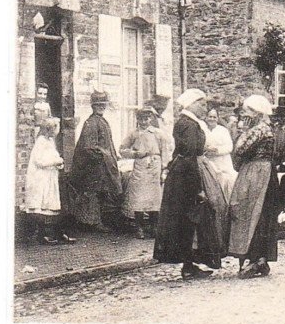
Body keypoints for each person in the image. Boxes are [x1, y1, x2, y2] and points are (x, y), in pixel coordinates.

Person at [153, 88, 228, 280]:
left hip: (185, 174)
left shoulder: (189, 123)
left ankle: (190, 263)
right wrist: (198, 188)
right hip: (186, 177)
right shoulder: (188, 125)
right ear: (192, 104)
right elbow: (188, 156)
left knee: (189, 221)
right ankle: (188, 266)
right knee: (188, 220)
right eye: (202, 104)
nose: (205, 108)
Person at [227, 95, 280, 279]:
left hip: (257, 174)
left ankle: (254, 258)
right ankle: (259, 258)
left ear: (257, 113)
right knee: (260, 215)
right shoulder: (265, 128)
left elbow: (239, 149)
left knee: (253, 214)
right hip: (261, 172)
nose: (245, 114)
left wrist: (238, 131)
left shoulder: (258, 130)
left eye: (248, 111)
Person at [69, 90, 123, 232]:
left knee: (101, 193)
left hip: (103, 164)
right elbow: (89, 147)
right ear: (93, 106)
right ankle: (93, 222)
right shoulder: (91, 123)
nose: (101, 107)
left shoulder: (102, 121)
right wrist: (102, 157)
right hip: (94, 165)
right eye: (98, 105)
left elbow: (107, 143)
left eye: (103, 105)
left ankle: (98, 221)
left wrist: (113, 155)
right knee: (93, 193)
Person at [24, 117, 76, 245]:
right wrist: (55, 162)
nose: (57, 130)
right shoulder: (41, 141)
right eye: (55, 127)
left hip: (50, 175)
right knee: (43, 204)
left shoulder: (51, 141)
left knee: (52, 204)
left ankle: (55, 233)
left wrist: (59, 163)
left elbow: (54, 156)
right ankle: (43, 234)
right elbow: (39, 161)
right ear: (50, 128)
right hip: (41, 177)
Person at [119, 107, 168, 239]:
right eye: (141, 119)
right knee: (138, 197)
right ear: (137, 119)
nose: (144, 122)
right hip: (140, 166)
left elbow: (165, 151)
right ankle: (139, 227)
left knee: (154, 197)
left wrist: (164, 168)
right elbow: (122, 149)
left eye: (146, 119)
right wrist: (135, 154)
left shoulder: (158, 133)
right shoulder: (133, 134)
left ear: (151, 119)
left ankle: (154, 227)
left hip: (154, 166)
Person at [203, 107, 237, 200]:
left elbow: (229, 147)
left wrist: (217, 150)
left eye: (214, 117)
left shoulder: (223, 130)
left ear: (218, 118)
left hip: (223, 162)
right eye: (210, 116)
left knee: (226, 185)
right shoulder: (203, 130)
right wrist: (206, 150)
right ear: (206, 117)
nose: (212, 119)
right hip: (208, 161)